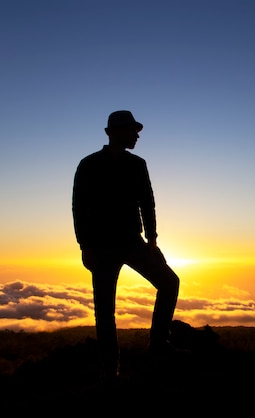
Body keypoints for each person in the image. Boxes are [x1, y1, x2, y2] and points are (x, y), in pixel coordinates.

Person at [72, 110, 184, 383]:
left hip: (133, 241)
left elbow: (147, 202)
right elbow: (79, 206)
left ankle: (158, 343)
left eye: (137, 132)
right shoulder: (89, 164)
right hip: (101, 246)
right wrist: (85, 245)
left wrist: (152, 240)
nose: (136, 136)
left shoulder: (137, 164)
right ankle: (111, 368)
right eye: (132, 131)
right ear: (114, 133)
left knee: (169, 282)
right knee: (105, 310)